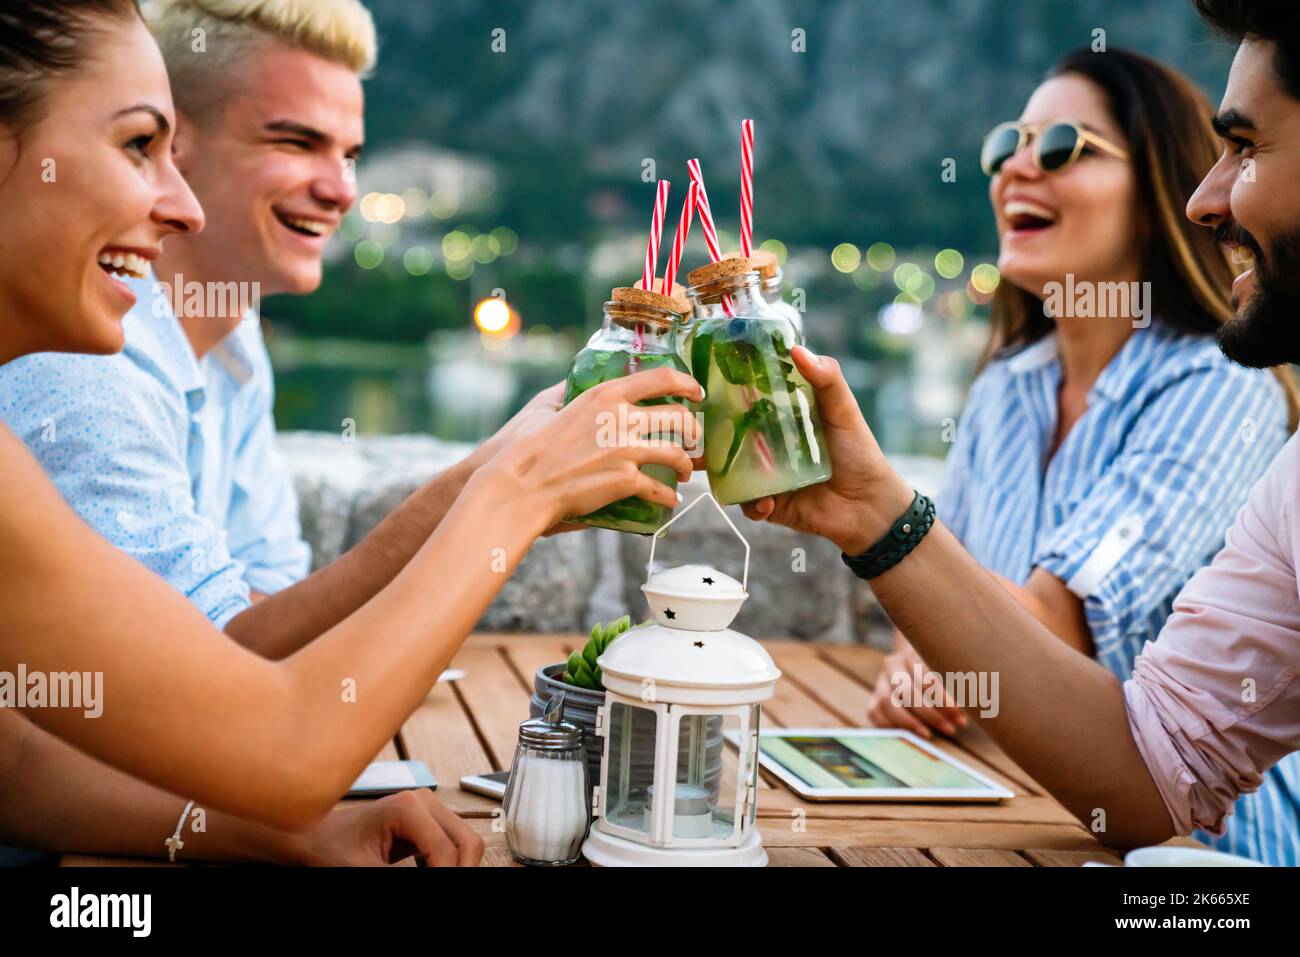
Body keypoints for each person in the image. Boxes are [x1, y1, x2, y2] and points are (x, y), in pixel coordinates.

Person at [0, 0, 701, 864]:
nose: (177, 203)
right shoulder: (71, 381)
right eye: (141, 143)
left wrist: (288, 840)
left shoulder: (216, 349)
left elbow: (15, 761)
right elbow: (275, 740)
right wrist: (514, 492)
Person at [743, 0, 1300, 860]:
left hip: (1213, 861)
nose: (1015, 171)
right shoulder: (1008, 385)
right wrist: (898, 605)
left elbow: (1052, 615)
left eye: (1061, 149)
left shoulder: (1219, 388)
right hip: (1025, 803)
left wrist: (930, 618)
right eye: (1005, 148)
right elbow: (945, 580)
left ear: (1149, 197)